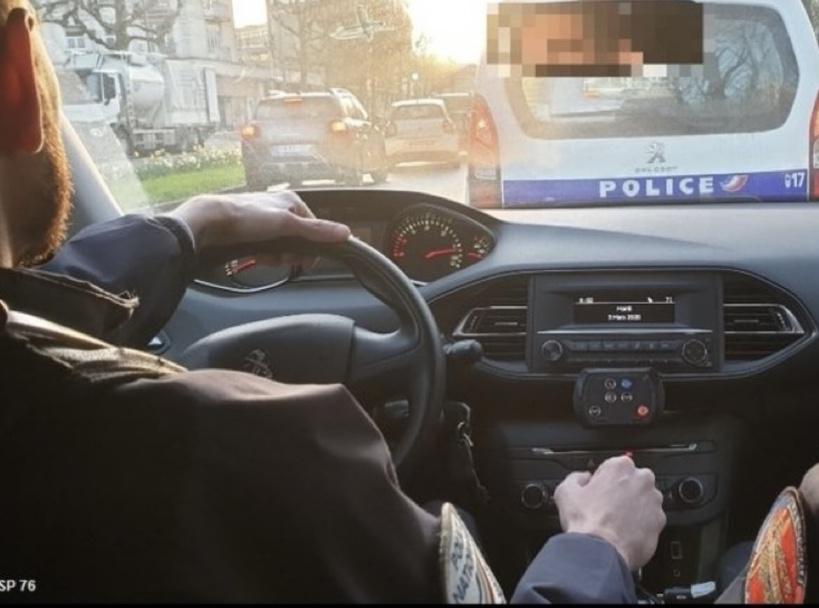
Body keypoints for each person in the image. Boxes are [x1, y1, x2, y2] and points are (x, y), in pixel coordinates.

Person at [0, 1, 667, 602]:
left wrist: (185, 227)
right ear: (17, 75)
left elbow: (40, 317)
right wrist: (597, 547)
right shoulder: (241, 446)